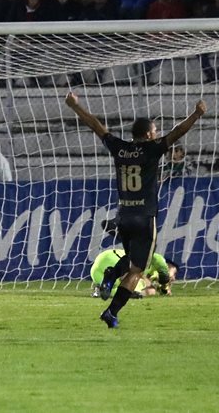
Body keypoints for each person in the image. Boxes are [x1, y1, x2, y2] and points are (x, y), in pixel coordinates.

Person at [64, 91, 207, 329]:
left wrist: (75, 106)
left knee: (132, 259)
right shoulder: (152, 149)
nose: (158, 134)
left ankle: (110, 276)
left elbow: (96, 125)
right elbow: (178, 132)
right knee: (138, 268)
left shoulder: (119, 148)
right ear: (149, 134)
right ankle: (111, 312)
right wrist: (197, 114)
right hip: (144, 217)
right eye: (156, 131)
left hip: (124, 215)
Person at [90, 246, 177, 298]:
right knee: (134, 281)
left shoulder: (150, 272)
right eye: (175, 273)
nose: (174, 278)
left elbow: (155, 282)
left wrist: (158, 287)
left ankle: (101, 289)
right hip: (114, 259)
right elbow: (163, 278)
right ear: (169, 265)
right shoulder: (158, 259)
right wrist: (164, 288)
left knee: (118, 287)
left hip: (96, 272)